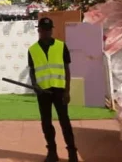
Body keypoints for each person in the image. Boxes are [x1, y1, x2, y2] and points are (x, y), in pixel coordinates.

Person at [28, 17, 78, 162]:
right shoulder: (32, 50)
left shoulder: (61, 46)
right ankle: (52, 152)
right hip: (43, 92)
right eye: (44, 29)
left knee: (65, 122)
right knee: (46, 122)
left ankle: (72, 152)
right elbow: (32, 70)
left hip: (59, 91)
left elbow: (67, 70)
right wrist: (35, 84)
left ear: (51, 30)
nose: (47, 32)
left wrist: (67, 91)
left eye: (49, 29)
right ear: (39, 30)